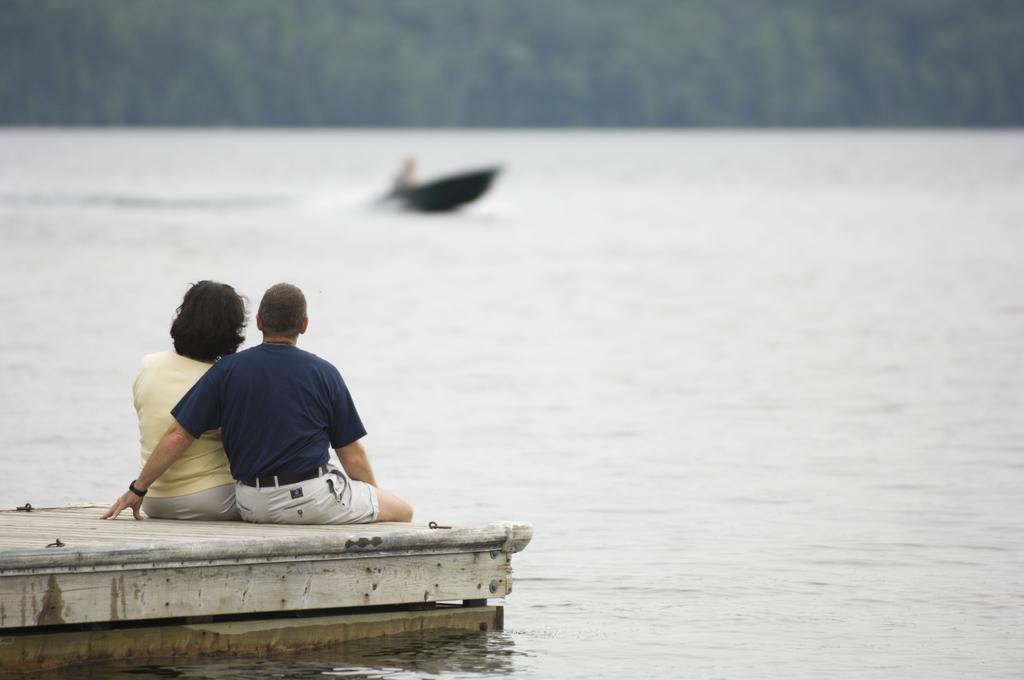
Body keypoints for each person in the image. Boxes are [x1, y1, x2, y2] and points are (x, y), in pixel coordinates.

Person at [104, 283, 413, 525]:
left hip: (251, 503)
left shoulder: (226, 370)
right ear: (304, 325)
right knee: (403, 511)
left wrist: (138, 489)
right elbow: (352, 454)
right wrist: (373, 495)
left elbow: (178, 434)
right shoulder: (324, 373)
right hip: (308, 498)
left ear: (260, 322)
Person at [132, 280, 247, 520]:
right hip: (214, 500)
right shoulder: (225, 378)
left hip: (153, 500)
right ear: (233, 330)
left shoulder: (148, 365)